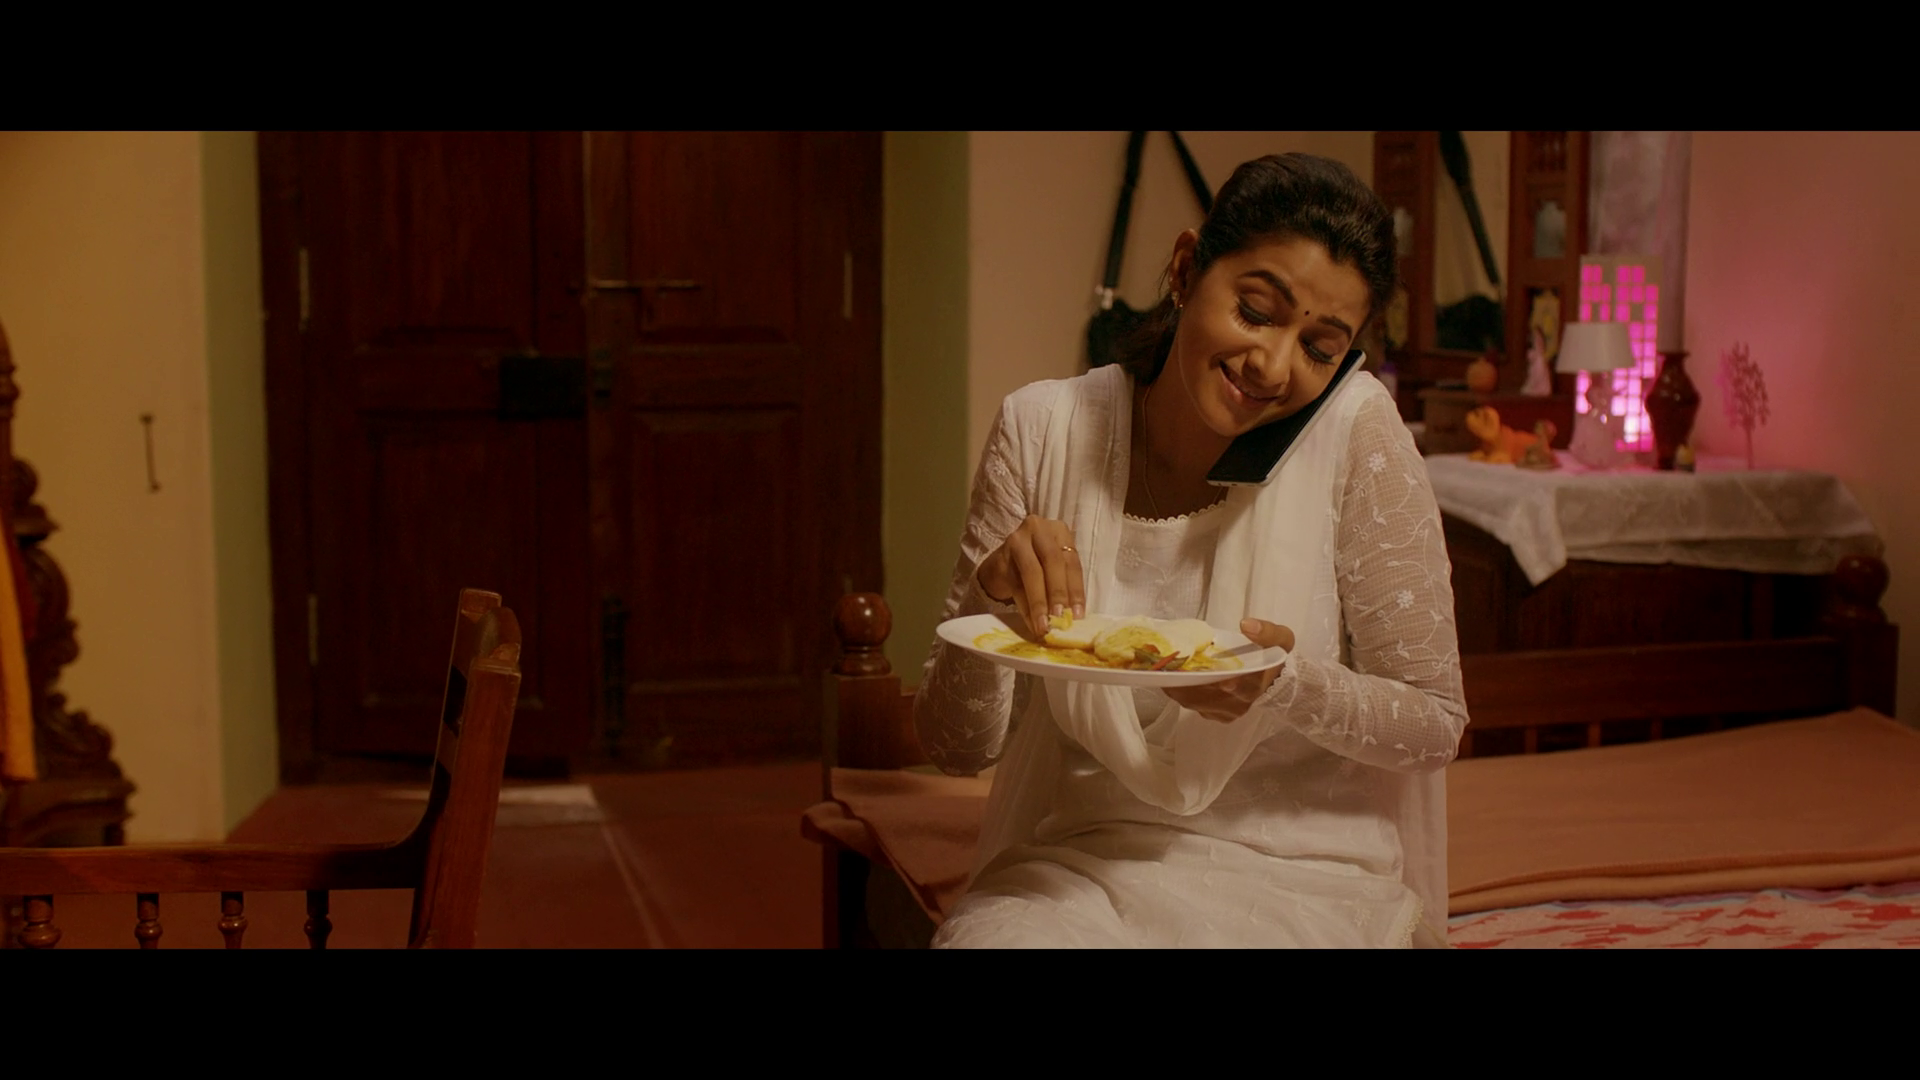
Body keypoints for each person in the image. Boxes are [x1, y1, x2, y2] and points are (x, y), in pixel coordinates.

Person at [912, 152, 1469, 948]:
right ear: (1184, 270)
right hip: (1078, 870)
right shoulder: (1043, 431)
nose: (1272, 365)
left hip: (1308, 879)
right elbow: (954, 748)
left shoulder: (1354, 431)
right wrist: (992, 597)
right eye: (1256, 311)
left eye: (1319, 348)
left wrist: (1281, 685)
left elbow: (1434, 723)